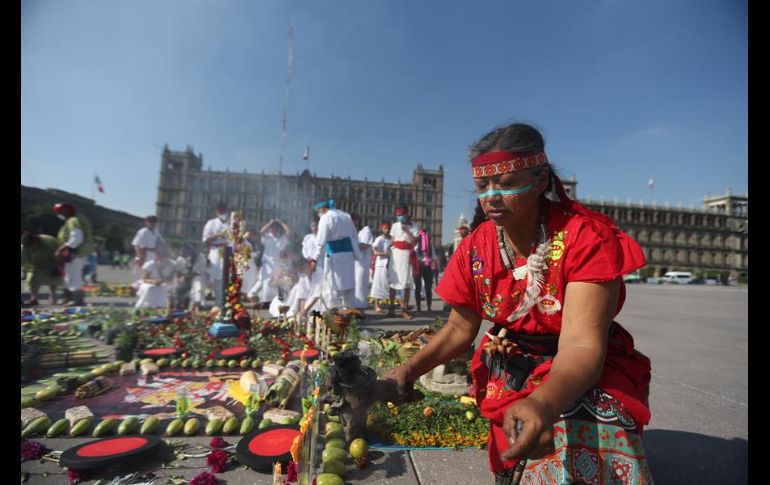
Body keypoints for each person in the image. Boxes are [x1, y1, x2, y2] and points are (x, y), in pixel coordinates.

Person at [383, 123, 653, 484]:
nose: (492, 196)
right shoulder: (474, 248)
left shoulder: (584, 238)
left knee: (589, 417)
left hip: (585, 364)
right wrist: (409, 370)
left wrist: (543, 402)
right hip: (512, 362)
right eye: (483, 186)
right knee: (521, 447)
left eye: (508, 184)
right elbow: (459, 329)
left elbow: (582, 344)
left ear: (541, 181)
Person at [307, 199, 362, 309]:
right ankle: (350, 315)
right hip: (348, 254)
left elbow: (320, 241)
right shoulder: (346, 216)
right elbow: (354, 235)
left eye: (318, 212)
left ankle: (333, 315)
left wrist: (314, 259)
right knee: (348, 286)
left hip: (334, 255)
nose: (318, 215)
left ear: (322, 209)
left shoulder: (326, 217)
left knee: (332, 286)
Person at [53, 203, 94, 306]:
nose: (61, 214)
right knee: (68, 275)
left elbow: (76, 238)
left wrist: (62, 248)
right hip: (75, 252)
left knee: (74, 276)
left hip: (75, 252)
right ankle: (68, 298)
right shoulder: (76, 219)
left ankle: (77, 300)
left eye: (61, 212)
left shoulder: (73, 221)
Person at [247, 219, 290, 305]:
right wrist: (270, 222)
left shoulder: (282, 239)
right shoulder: (268, 237)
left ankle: (252, 295)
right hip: (267, 264)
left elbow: (288, 233)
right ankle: (264, 301)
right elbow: (261, 231)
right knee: (265, 282)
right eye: (272, 228)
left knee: (273, 283)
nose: (274, 229)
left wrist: (281, 222)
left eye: (276, 228)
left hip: (277, 265)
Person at [387, 205, 417, 319]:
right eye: (398, 216)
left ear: (406, 214)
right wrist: (387, 249)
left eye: (401, 215)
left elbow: (414, 241)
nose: (399, 218)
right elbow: (392, 240)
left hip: (406, 256)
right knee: (393, 283)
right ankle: (391, 309)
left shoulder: (414, 226)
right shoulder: (394, 226)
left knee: (406, 283)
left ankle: (404, 310)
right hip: (395, 256)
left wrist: (407, 231)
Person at [21, 232, 63, 306]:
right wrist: (25, 270)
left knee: (53, 278)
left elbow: (60, 250)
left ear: (36, 241)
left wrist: (58, 265)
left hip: (52, 261)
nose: (31, 248)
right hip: (35, 265)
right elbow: (23, 260)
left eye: (32, 246)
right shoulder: (23, 247)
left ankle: (53, 296)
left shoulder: (48, 240)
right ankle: (33, 298)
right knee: (32, 279)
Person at [202, 203, 230, 307]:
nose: (222, 213)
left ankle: (228, 301)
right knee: (217, 278)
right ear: (217, 211)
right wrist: (219, 235)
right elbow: (205, 240)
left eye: (224, 211)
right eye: (220, 211)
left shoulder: (231, 223)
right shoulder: (211, 223)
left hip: (229, 250)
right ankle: (218, 302)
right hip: (216, 251)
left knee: (229, 278)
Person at [135, 244, 175, 309]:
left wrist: (164, 280)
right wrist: (154, 282)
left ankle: (162, 307)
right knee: (149, 289)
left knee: (164, 288)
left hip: (166, 283)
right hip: (149, 282)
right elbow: (144, 279)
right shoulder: (150, 264)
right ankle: (145, 306)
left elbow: (172, 277)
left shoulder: (172, 264)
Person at [369, 222, 393, 313]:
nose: (387, 230)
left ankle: (391, 305)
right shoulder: (379, 239)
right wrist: (385, 254)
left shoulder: (391, 239)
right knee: (378, 284)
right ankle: (376, 305)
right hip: (380, 264)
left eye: (388, 228)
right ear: (382, 229)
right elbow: (374, 251)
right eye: (385, 228)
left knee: (390, 285)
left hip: (391, 264)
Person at [351, 213, 374, 310]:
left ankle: (360, 308)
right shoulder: (354, 232)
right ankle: (354, 307)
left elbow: (364, 246)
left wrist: (350, 246)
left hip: (362, 263)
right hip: (354, 263)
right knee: (354, 285)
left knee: (360, 284)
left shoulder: (366, 231)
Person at [414, 225, 438, 312]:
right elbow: (433, 254)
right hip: (420, 264)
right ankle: (422, 306)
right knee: (420, 286)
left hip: (425, 264)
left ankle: (426, 307)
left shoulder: (427, 241)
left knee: (425, 286)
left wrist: (434, 263)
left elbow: (433, 254)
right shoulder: (418, 242)